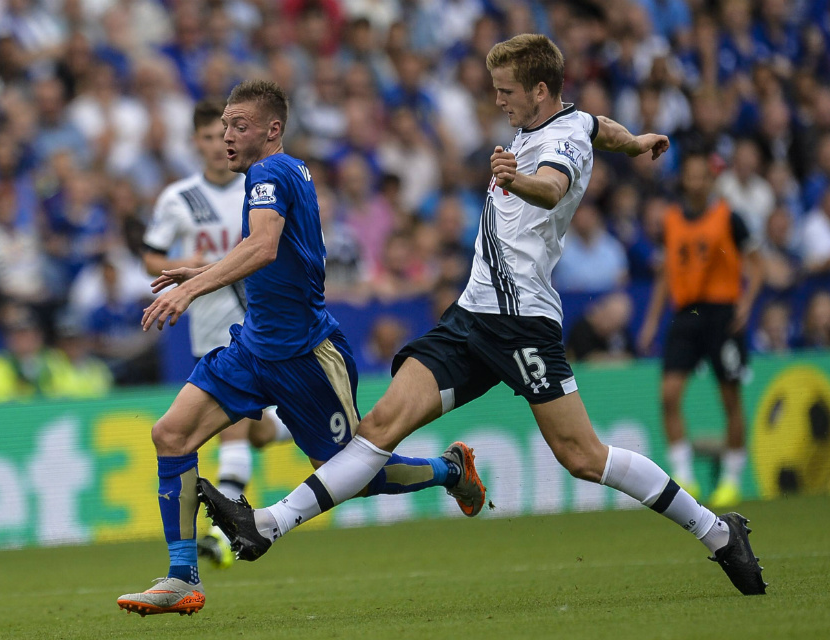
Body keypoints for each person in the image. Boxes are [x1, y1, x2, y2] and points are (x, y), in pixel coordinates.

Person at [201, 35, 767, 598]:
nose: (498, 102)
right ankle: (266, 525)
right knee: (377, 430)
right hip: (471, 315)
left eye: (507, 91)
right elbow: (603, 127)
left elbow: (551, 187)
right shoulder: (577, 122)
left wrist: (515, 177)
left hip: (522, 321)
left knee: (582, 456)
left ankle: (718, 532)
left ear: (540, 91)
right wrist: (637, 141)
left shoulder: (562, 143)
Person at [116, 80, 482, 617]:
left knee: (359, 474)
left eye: (238, 127)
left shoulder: (269, 171)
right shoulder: (279, 174)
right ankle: (180, 577)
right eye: (222, 128)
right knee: (170, 433)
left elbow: (263, 247)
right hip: (253, 345)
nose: (226, 138)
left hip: (306, 355)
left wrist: (192, 288)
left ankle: (450, 469)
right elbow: (267, 245)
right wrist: (200, 270)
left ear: (272, 129)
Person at [140, 100, 293, 569]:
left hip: (257, 321)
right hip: (206, 324)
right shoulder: (179, 199)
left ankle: (220, 535)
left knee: (232, 431)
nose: (216, 144)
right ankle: (295, 425)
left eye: (222, 134)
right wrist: (190, 274)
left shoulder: (260, 185)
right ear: (196, 142)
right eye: (207, 136)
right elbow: (151, 255)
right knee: (255, 432)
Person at [637, 152, 764, 511]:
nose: (695, 183)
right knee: (668, 395)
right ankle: (684, 476)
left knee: (730, 398)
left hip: (722, 314)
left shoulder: (730, 218)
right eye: (689, 176)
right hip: (686, 314)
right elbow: (664, 275)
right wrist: (651, 321)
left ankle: (732, 480)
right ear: (684, 180)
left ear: (710, 181)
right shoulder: (672, 220)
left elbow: (758, 266)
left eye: (701, 177)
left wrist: (746, 303)